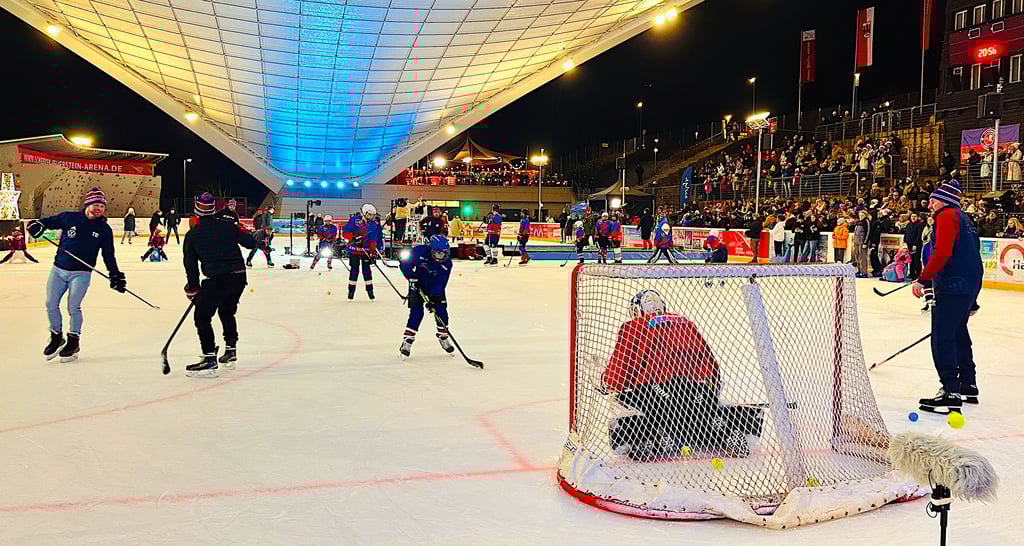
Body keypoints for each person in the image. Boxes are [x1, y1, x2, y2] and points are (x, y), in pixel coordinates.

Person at [601, 289, 760, 461]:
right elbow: (710, 360)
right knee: (701, 413)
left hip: (657, 391)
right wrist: (712, 385)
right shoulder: (685, 322)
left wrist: (607, 383)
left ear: (638, 309)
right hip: (699, 388)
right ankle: (723, 430)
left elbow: (620, 369)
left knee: (638, 403)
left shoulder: (633, 327)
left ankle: (654, 435)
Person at [27, 187, 126, 362]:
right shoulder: (69, 218)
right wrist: (37, 225)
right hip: (58, 270)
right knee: (50, 303)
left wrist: (115, 274)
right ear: (87, 204)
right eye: (96, 205)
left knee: (73, 307)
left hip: (81, 273)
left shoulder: (104, 229)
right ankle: (56, 336)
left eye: (102, 206)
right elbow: (46, 222)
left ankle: (73, 341)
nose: (99, 209)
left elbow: (108, 254)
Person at [912, 180, 983, 414]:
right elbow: (974, 256)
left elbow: (942, 251)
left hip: (952, 285)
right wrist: (973, 297)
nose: (929, 205)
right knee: (959, 333)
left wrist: (924, 279)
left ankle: (950, 391)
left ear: (943, 201)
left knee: (943, 337)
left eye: (932, 200)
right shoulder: (965, 220)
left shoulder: (946, 216)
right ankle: (967, 383)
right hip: (967, 284)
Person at [182, 192, 261, 377]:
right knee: (226, 311)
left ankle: (209, 359)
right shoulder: (228, 225)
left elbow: (190, 265)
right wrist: (240, 229)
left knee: (202, 317)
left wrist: (193, 288)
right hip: (238, 276)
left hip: (217, 279)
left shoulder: (193, 235)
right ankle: (231, 349)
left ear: (196, 212)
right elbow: (251, 243)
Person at [398, 235, 454, 359]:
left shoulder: (447, 263)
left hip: (434, 288)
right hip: (417, 285)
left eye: (445, 254)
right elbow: (404, 264)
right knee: (417, 313)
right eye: (439, 254)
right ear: (432, 250)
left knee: (441, 311)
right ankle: (407, 341)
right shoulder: (419, 251)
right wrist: (411, 276)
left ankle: (443, 337)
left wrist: (434, 297)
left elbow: (441, 282)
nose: (442, 257)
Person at [343, 204, 383, 300]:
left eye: (373, 215)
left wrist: (373, 250)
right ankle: (351, 291)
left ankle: (370, 291)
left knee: (367, 270)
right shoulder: (355, 220)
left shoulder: (373, 224)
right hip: (354, 250)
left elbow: (373, 239)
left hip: (366, 251)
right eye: (369, 215)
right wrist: (354, 238)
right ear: (364, 213)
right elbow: (345, 233)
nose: (371, 217)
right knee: (354, 270)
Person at [903, 212, 925, 279]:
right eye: (912, 216)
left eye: (915, 216)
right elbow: (906, 233)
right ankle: (911, 273)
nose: (913, 218)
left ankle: (918, 273)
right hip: (908, 245)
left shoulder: (920, 225)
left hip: (916, 245)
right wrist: (905, 242)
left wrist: (915, 244)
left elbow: (919, 235)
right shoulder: (909, 224)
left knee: (916, 259)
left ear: (918, 217)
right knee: (910, 259)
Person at [853, 210, 871, 277]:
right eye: (860, 215)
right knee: (857, 256)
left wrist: (865, 242)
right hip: (856, 242)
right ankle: (859, 270)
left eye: (862, 215)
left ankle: (864, 272)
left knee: (862, 257)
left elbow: (868, 232)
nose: (861, 216)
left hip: (862, 242)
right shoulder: (858, 222)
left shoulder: (866, 222)